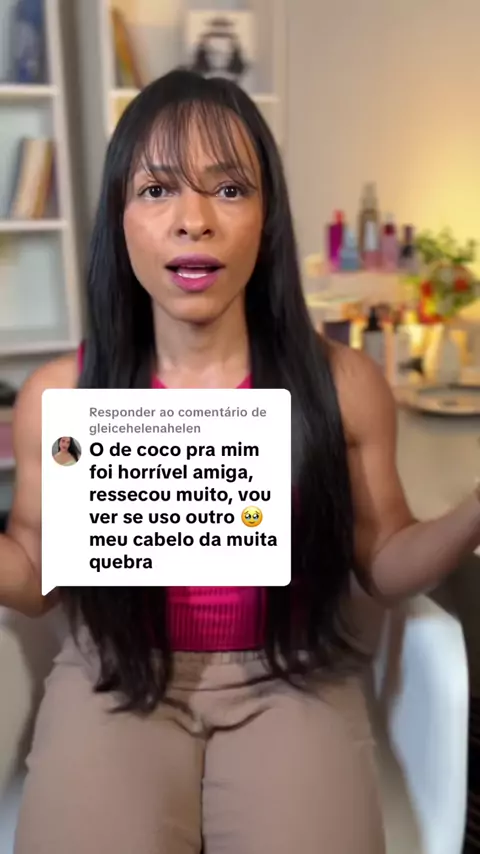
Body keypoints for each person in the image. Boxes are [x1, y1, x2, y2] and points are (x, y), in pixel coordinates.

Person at [2, 69, 480, 854]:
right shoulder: (60, 394)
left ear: (268, 217)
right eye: (156, 190)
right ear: (118, 218)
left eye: (229, 190)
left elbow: (387, 561)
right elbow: (33, 576)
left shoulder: (342, 384)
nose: (193, 221)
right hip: (117, 672)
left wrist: (474, 509)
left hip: (291, 674)